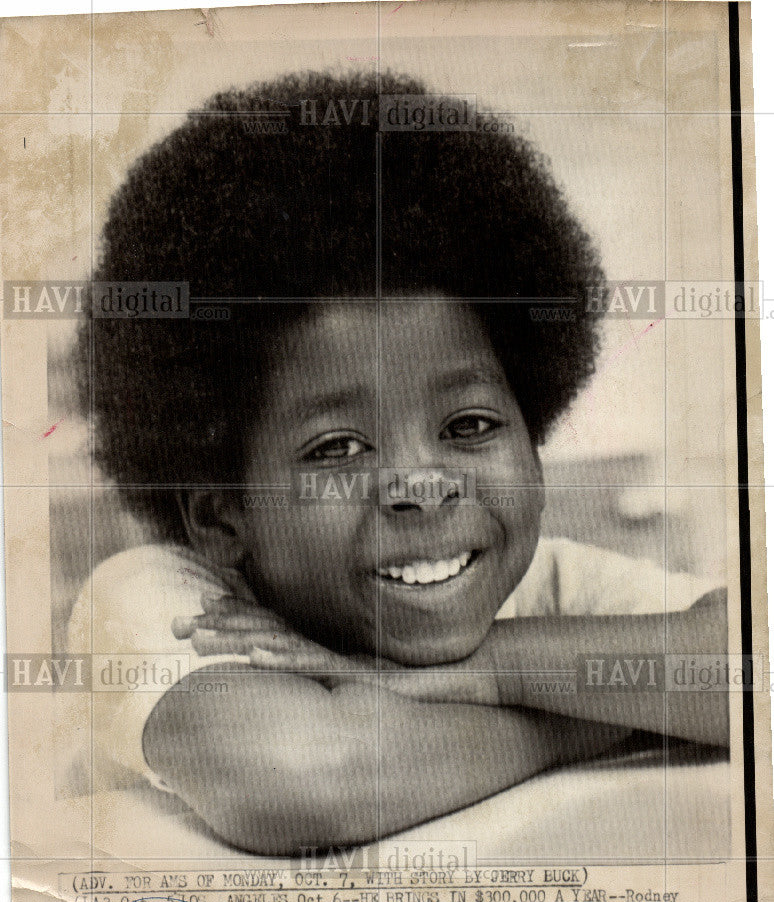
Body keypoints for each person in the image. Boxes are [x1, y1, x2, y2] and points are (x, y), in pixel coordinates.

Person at [69, 71, 727, 855]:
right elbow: (307, 778)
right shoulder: (167, 603)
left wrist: (498, 668)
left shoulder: (545, 584)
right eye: (337, 449)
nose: (422, 484)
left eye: (470, 423)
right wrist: (592, 715)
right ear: (222, 517)